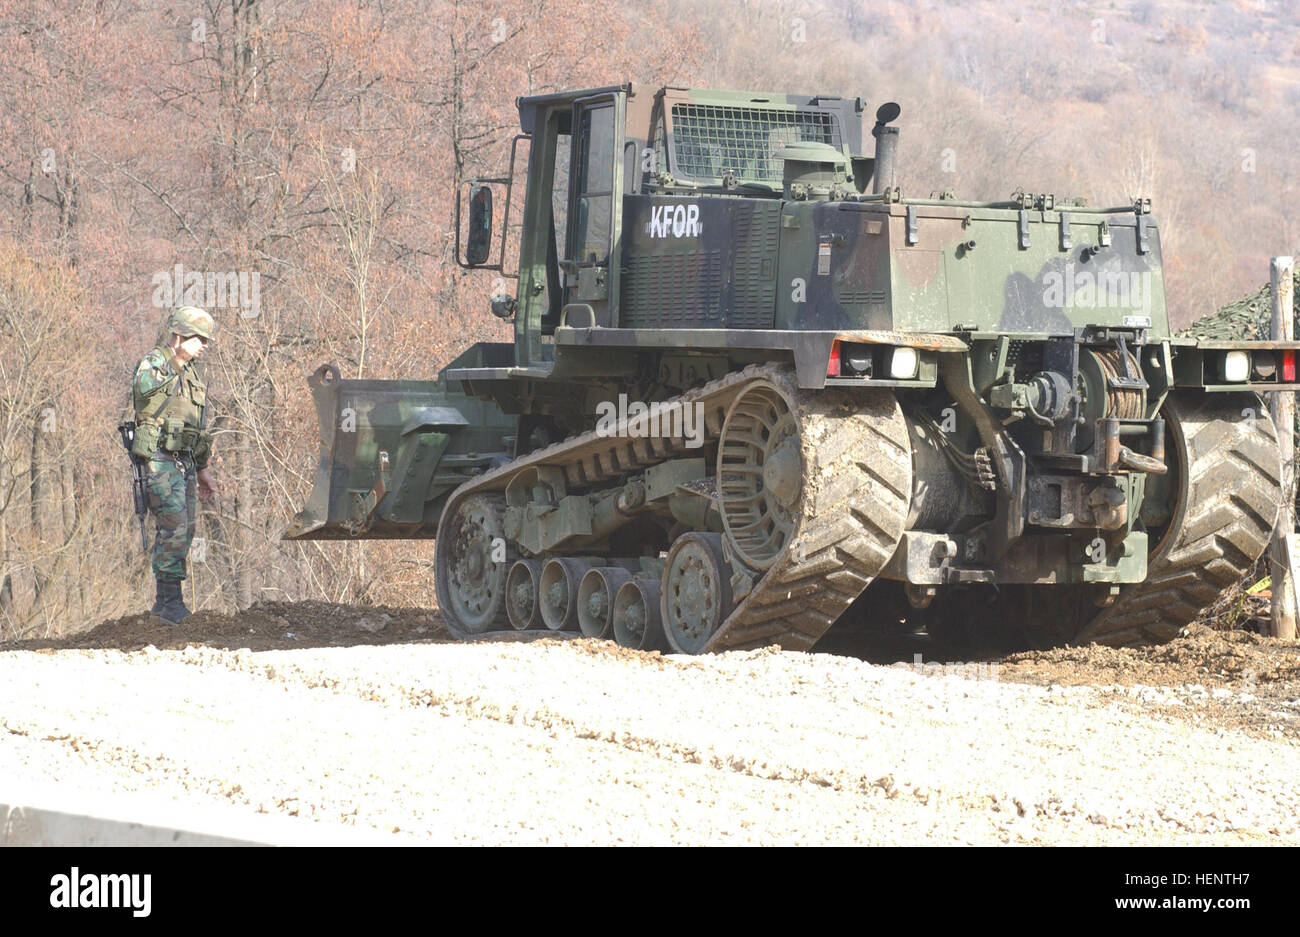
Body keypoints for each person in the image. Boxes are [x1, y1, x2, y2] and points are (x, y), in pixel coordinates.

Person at [130, 306, 218, 622]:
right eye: (198, 338)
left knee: (187, 529)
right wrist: (173, 362)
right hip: (158, 459)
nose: (204, 344)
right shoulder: (155, 363)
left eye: (206, 339)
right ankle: (167, 604)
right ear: (178, 336)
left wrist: (204, 468)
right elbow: (141, 387)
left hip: (185, 462)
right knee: (173, 528)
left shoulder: (192, 375)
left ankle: (170, 603)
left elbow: (196, 427)